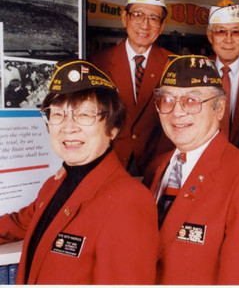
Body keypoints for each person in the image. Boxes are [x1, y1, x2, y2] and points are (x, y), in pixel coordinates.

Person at [0, 60, 159, 284]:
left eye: (84, 115)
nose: (68, 127)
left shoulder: (129, 201)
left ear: (113, 128)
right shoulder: (54, 184)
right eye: (58, 114)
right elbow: (18, 223)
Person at [146, 55, 239, 284]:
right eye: (167, 99)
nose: (177, 112)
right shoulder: (155, 168)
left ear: (219, 108)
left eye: (192, 100)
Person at [91, 0, 175, 176]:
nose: (145, 25)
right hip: (110, 163)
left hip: (158, 166)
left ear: (162, 26)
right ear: (124, 18)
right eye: (138, 15)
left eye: (154, 18)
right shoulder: (99, 62)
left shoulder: (173, 64)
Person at [206, 0, 239, 151]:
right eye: (221, 31)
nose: (229, 39)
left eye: (236, 32)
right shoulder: (198, 69)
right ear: (210, 36)